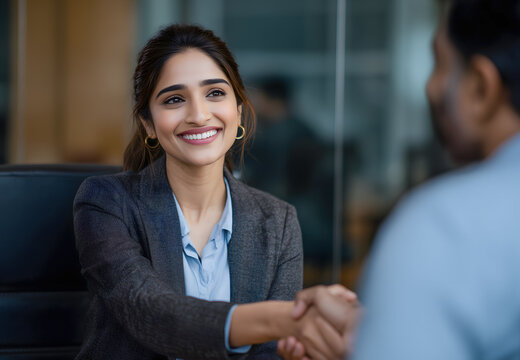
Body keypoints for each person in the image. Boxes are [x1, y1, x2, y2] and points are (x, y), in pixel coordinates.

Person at [279, 0, 520, 359]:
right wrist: (380, 329)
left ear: (481, 87)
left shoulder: (444, 228)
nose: (430, 87)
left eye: (439, 64)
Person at [73, 24, 341, 360]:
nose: (199, 115)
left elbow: (271, 353)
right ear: (149, 124)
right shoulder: (106, 202)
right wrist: (290, 318)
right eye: (174, 99)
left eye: (215, 93)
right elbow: (150, 311)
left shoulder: (278, 221)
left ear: (238, 111)